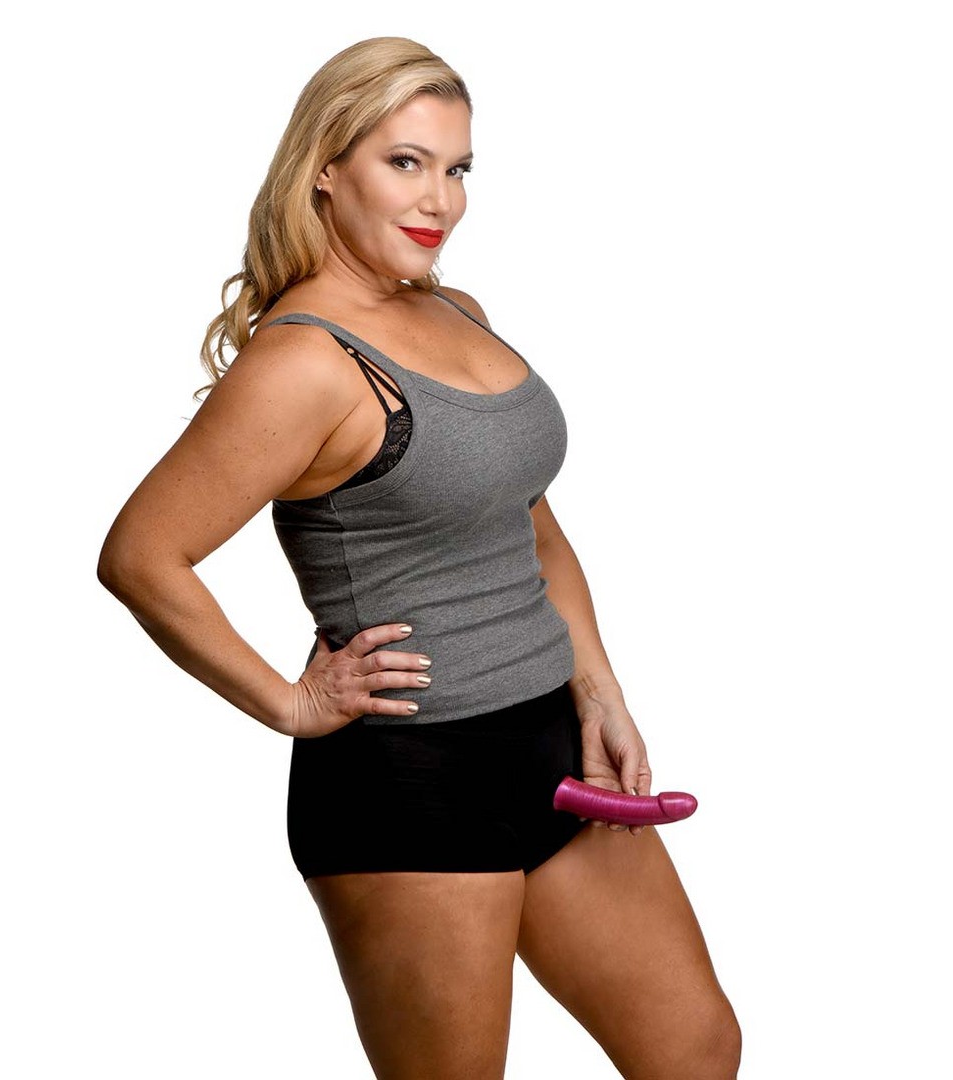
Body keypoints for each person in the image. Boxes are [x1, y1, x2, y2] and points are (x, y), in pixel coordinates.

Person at [97, 36, 741, 1080]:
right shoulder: (305, 362)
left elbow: (531, 527)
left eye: (458, 167)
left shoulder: (455, 311)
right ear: (325, 167)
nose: (440, 199)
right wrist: (289, 702)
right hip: (412, 782)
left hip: (550, 744)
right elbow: (141, 555)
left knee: (695, 1050)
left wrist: (599, 692)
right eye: (406, 162)